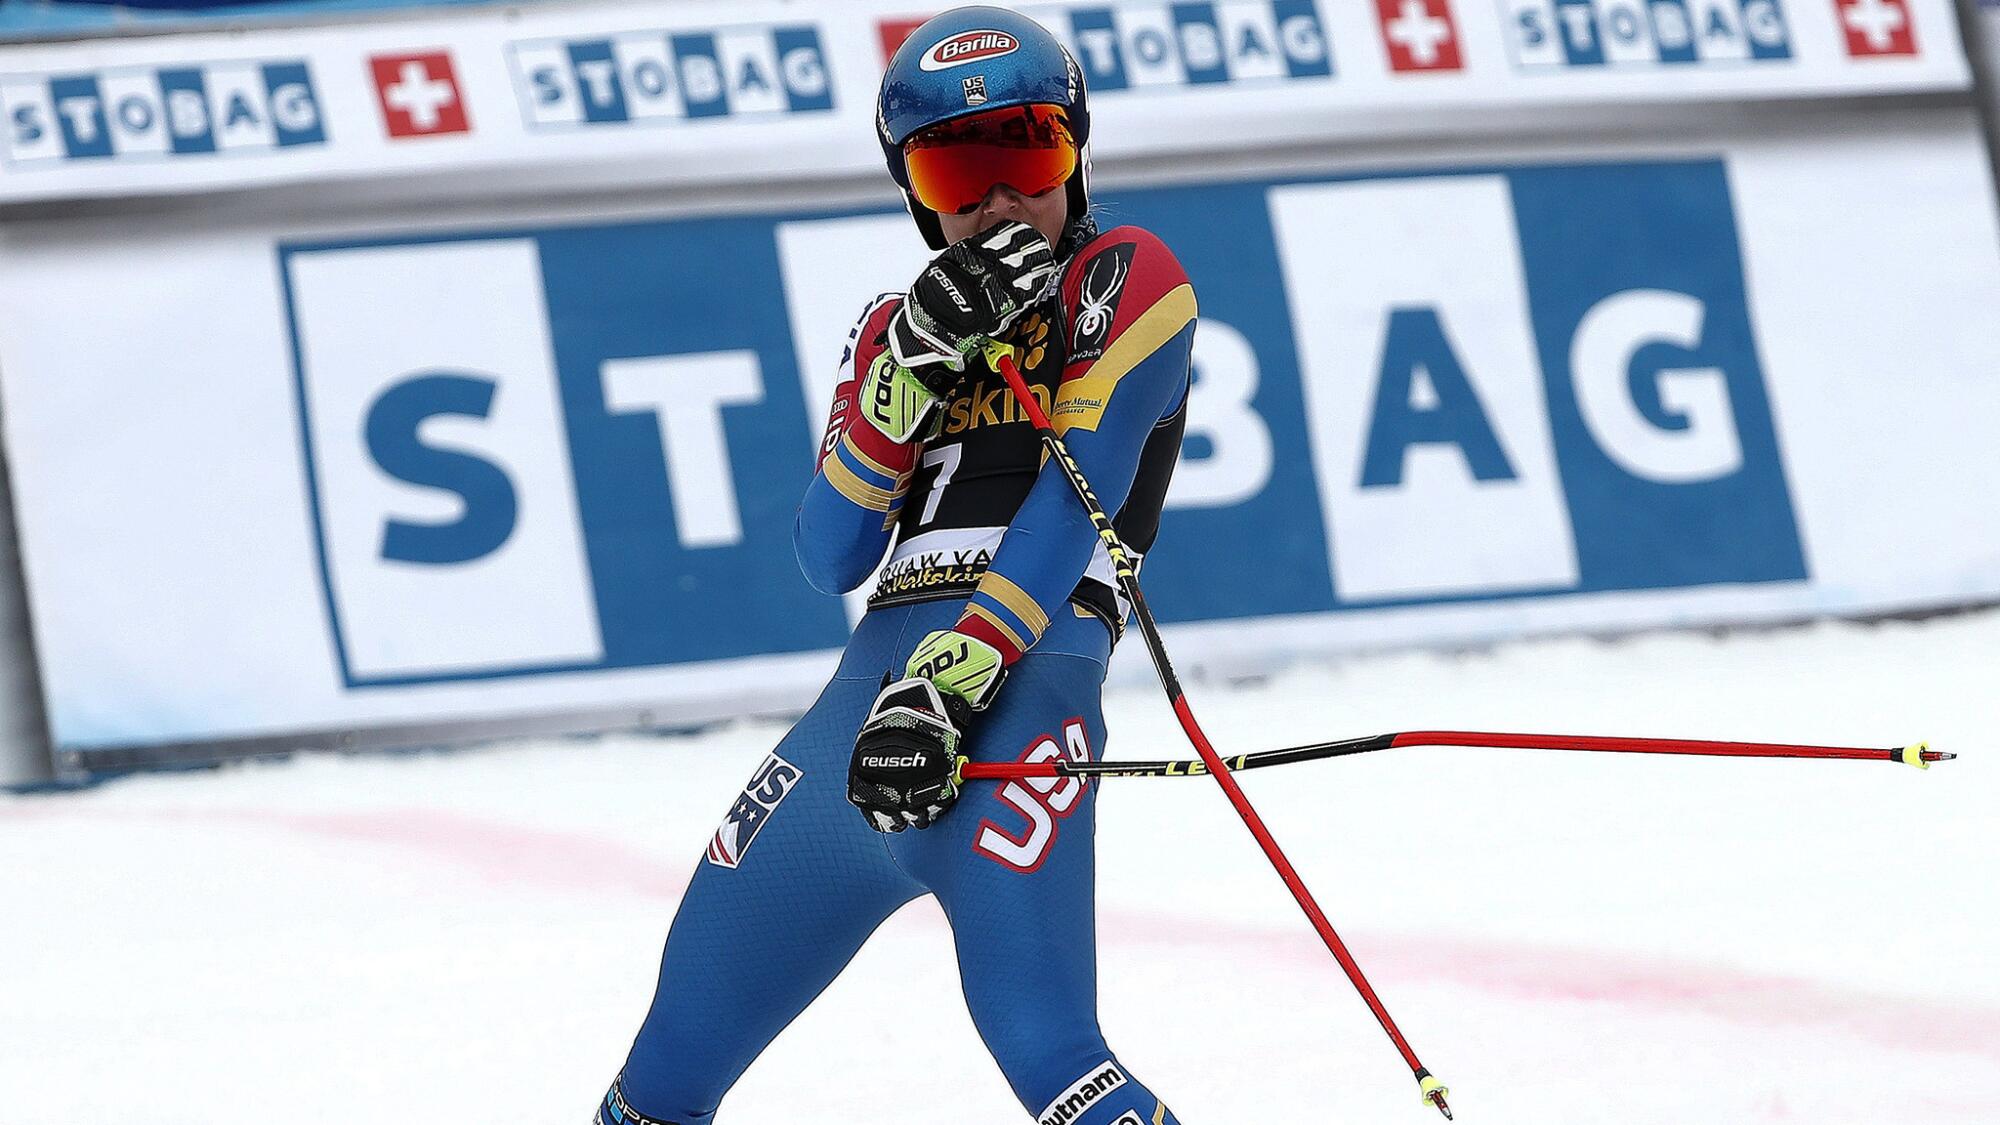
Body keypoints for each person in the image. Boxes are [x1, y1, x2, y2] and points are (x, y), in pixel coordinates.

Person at [599, 8, 1197, 1123]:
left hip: (1013, 707)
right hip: (853, 729)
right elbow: (828, 554)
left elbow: (1075, 506)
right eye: (954, 172)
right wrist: (902, 383)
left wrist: (952, 678)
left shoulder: (1126, 278)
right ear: (914, 191)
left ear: (1073, 152)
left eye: (1022, 156)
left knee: (1054, 1058)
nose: (993, 201)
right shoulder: (890, 325)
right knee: (665, 1066)